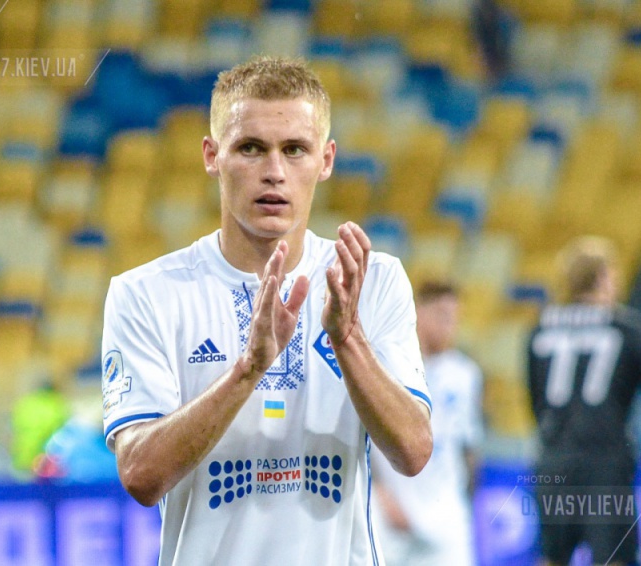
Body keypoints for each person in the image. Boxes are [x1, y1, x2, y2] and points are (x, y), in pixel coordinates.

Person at [100, 56, 433, 566]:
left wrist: (348, 341)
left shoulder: (371, 281)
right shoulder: (146, 294)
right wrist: (248, 368)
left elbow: (413, 452)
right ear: (212, 155)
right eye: (251, 148)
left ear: (326, 160)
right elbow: (141, 476)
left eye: (294, 149)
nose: (274, 172)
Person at [526, 236, 641, 566]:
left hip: (553, 463)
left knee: (552, 557)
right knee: (614, 558)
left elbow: (536, 401)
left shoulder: (540, 329)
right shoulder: (629, 328)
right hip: (605, 465)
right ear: (603, 277)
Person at [372, 281, 484, 566]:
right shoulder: (384, 367)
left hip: (445, 517)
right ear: (418, 313)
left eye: (455, 317)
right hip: (390, 515)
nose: (450, 325)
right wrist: (379, 495)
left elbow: (469, 446)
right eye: (442, 315)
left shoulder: (465, 374)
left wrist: (464, 502)